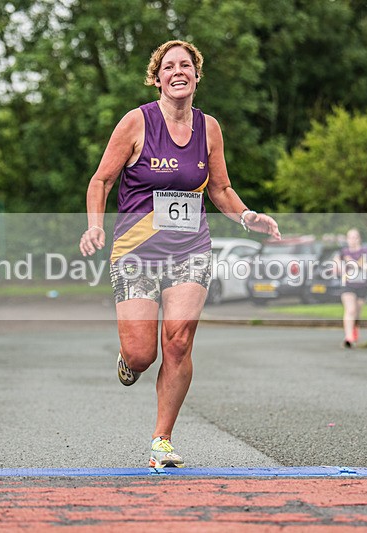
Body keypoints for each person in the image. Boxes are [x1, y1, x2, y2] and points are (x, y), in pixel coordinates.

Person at [78, 40, 280, 468]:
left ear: (197, 75)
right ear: (157, 78)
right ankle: (129, 360)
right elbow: (101, 181)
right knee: (142, 353)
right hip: (136, 252)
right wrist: (95, 226)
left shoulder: (209, 128)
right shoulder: (136, 122)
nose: (177, 72)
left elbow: (221, 189)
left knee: (179, 342)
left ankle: (162, 439)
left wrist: (247, 217)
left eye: (185, 65)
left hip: (190, 250)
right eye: (168, 67)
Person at [333, 228, 367, 348]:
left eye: (355, 237)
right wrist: (338, 267)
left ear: (359, 239)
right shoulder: (344, 252)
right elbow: (336, 263)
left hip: (361, 285)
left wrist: (357, 264)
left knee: (357, 312)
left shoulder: (365, 251)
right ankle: (348, 337)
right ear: (347, 239)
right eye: (350, 237)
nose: (353, 240)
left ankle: (355, 328)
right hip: (348, 284)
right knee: (350, 310)